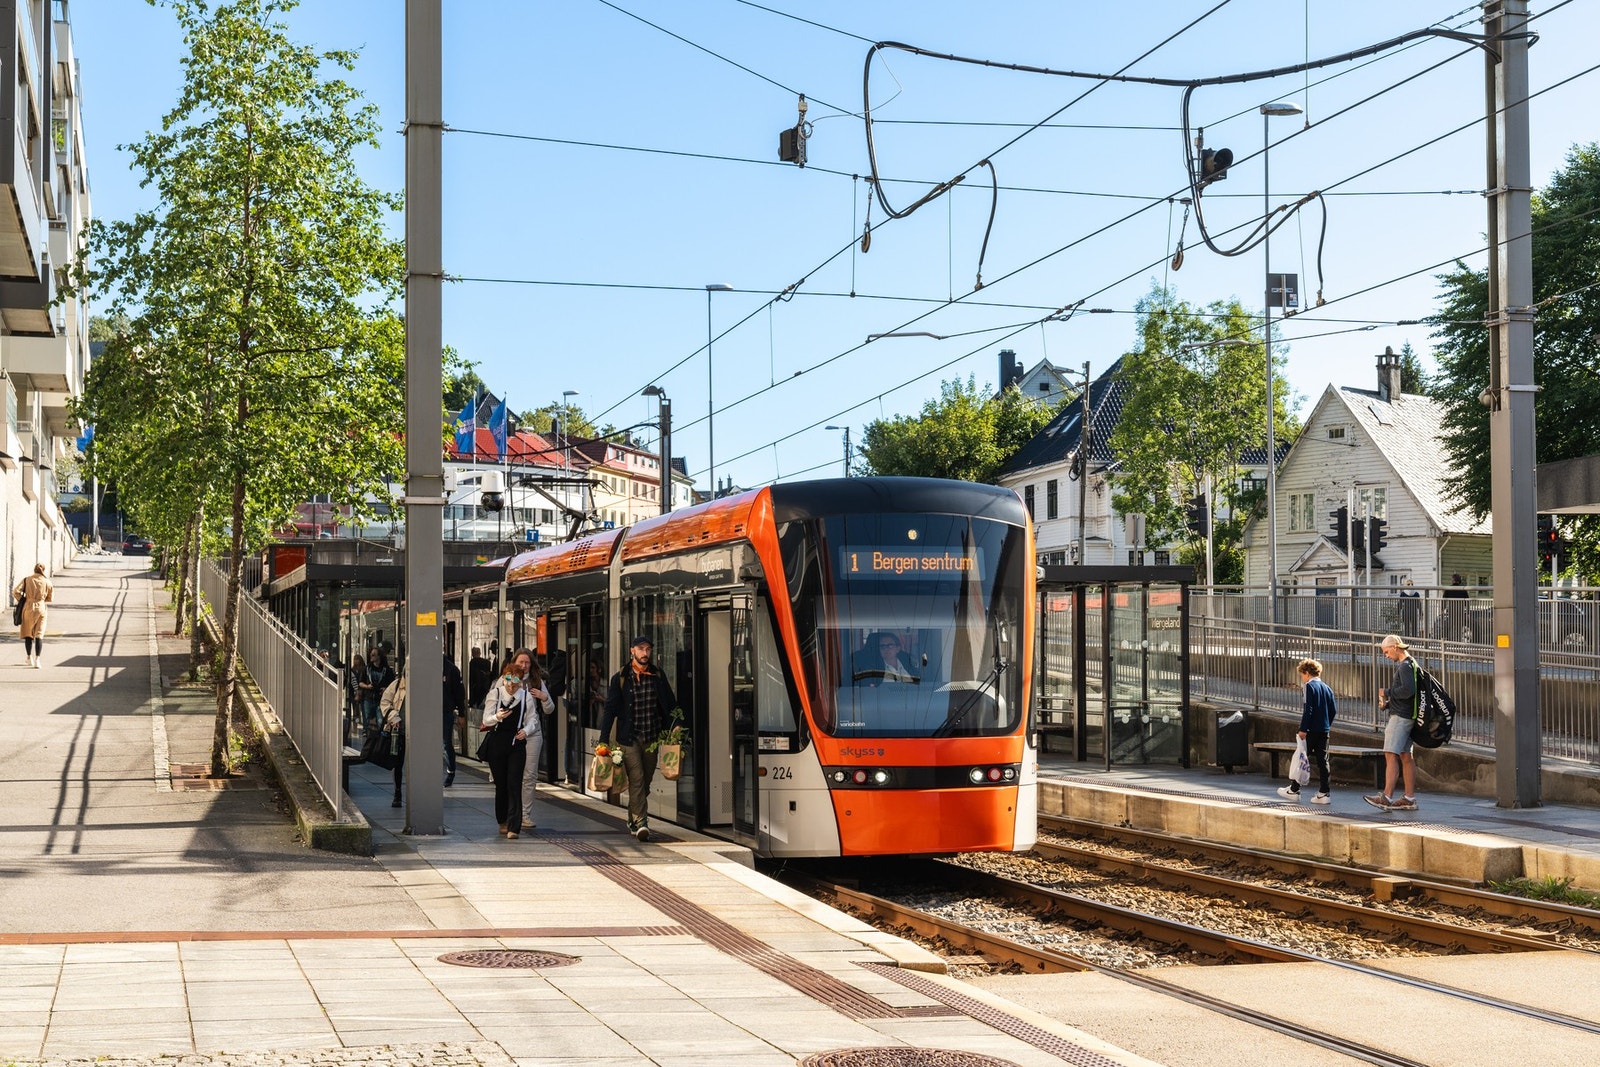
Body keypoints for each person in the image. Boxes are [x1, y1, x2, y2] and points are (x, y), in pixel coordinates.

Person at [600, 635, 678, 841]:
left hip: (652, 738)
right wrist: (603, 738)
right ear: (632, 651)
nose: (645, 653)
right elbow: (610, 710)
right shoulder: (621, 678)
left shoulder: (657, 675)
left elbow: (670, 704)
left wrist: (676, 724)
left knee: (647, 782)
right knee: (637, 779)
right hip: (628, 739)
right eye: (641, 649)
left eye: (648, 649)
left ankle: (632, 818)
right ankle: (642, 823)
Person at [481, 666, 547, 839]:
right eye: (508, 680)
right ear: (504, 678)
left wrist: (526, 730)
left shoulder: (525, 697)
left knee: (514, 783)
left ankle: (514, 826)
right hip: (497, 743)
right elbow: (486, 719)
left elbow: (533, 719)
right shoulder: (495, 694)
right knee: (501, 785)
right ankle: (502, 820)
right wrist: (497, 717)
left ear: (520, 681)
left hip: (516, 744)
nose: (511, 685)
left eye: (516, 681)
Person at [1367, 634, 1420, 812]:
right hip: (1407, 715)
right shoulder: (1412, 663)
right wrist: (1389, 704)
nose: (1386, 655)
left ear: (1395, 647)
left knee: (1390, 754)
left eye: (1386, 651)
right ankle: (1409, 798)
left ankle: (1386, 797)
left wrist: (1387, 692)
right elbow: (1408, 694)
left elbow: (1408, 690)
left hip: (1400, 718)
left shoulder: (1404, 666)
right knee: (1406, 756)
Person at [1278, 658, 1336, 804]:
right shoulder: (1327, 688)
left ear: (1307, 673)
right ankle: (1324, 792)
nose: (1302, 678)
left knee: (1301, 758)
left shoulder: (1309, 686)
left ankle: (1294, 789)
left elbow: (1308, 709)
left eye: (1302, 675)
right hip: (1324, 729)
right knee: (1323, 761)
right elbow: (1333, 710)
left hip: (1310, 730)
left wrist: (1303, 728)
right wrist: (1326, 724)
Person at [508, 648, 554, 830]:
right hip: (512, 733)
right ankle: (512, 813)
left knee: (530, 775)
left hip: (533, 733)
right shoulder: (509, 680)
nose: (524, 666)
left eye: (527, 662)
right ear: (514, 663)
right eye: (521, 662)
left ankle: (525, 815)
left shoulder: (537, 682)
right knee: (513, 775)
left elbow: (550, 710)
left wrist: (544, 698)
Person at [378, 662, 409, 808]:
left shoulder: (424, 686)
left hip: (416, 732)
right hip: (399, 731)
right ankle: (398, 793)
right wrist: (393, 717)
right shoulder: (397, 685)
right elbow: (385, 702)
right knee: (398, 763)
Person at [12, 563, 53, 668]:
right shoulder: (47, 582)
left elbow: (15, 591)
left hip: (28, 607)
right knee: (39, 634)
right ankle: (38, 659)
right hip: (41, 607)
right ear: (43, 570)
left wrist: (23, 599)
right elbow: (50, 598)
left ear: (34, 570)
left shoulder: (27, 580)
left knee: (28, 633)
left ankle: (29, 657)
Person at [854, 631, 919, 685]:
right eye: (882, 646)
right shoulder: (874, 669)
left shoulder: (910, 664)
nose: (886, 649)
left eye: (890, 645)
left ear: (898, 648)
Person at [442, 652, 467, 787]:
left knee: (446, 743)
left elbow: (459, 693)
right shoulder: (425, 667)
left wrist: (461, 714)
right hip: (430, 711)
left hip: (446, 711)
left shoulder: (451, 669)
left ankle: (451, 771)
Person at [467, 646, 494, 714]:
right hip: (485, 690)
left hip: (476, 690)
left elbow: (471, 680)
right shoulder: (487, 662)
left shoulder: (472, 663)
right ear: (480, 653)